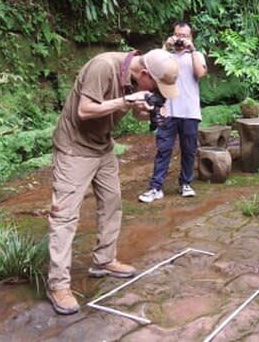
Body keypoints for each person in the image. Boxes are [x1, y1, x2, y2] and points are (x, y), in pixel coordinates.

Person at [47, 48, 180, 315]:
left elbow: (135, 111)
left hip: (103, 146)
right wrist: (126, 101)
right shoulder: (103, 67)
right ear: (144, 74)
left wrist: (147, 109)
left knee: (112, 203)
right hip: (74, 148)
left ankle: (103, 261)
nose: (159, 91)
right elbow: (85, 111)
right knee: (65, 216)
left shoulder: (134, 79)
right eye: (156, 87)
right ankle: (58, 285)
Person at [138, 21, 208, 203]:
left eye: (185, 36)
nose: (181, 39)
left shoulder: (197, 55)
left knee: (189, 150)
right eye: (178, 35)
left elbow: (200, 73)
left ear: (191, 37)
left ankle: (185, 183)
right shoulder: (165, 57)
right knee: (163, 149)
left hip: (190, 111)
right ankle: (156, 187)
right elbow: (153, 72)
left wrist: (192, 50)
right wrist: (165, 46)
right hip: (167, 110)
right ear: (173, 35)